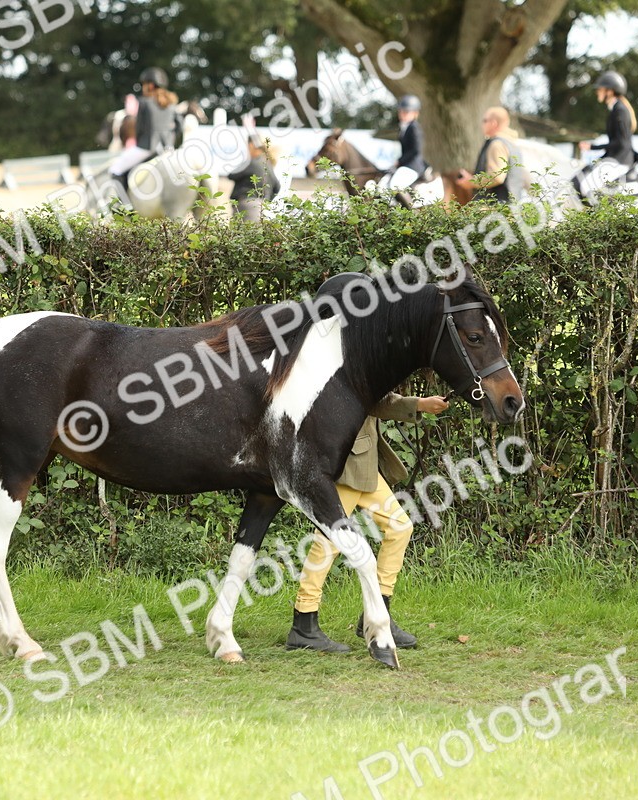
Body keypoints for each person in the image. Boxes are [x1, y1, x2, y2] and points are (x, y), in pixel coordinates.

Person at [286, 273, 451, 653]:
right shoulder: (330, 347)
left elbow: (374, 397)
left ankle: (377, 613)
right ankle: (304, 623)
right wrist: (415, 405)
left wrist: (418, 405)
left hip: (362, 461)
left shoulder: (353, 341)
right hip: (345, 460)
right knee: (328, 541)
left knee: (398, 527)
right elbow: (363, 399)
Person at [108, 67, 180, 202]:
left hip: (147, 147)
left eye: (144, 84)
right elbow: (179, 125)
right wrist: (170, 139)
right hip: (168, 150)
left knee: (115, 169)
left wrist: (138, 142)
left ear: (151, 85)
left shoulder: (144, 102)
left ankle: (125, 206)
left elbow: (140, 128)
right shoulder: (171, 104)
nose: (143, 87)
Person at [574, 71, 638, 203]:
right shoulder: (615, 109)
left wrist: (592, 147)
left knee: (587, 186)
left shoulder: (620, 110)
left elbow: (621, 143)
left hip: (621, 160)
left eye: (600, 89)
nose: (597, 92)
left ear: (609, 92)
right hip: (615, 158)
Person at [454, 106, 522, 204]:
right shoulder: (512, 145)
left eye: (484, 120)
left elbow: (497, 177)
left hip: (495, 210)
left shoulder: (496, 144)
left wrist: (471, 181)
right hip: (511, 209)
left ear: (493, 123)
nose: (482, 124)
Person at [226, 134, 281, 221]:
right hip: (261, 207)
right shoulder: (268, 164)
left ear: (252, 145)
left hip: (246, 205)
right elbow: (277, 187)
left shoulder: (252, 163)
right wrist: (266, 202)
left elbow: (232, 175)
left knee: (240, 233)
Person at [387, 95, 430, 190]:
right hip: (405, 165)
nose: (402, 114)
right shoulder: (403, 127)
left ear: (415, 114)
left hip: (413, 166)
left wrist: (400, 161)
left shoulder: (414, 127)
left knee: (395, 186)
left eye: (406, 112)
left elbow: (415, 150)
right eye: (401, 111)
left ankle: (407, 205)